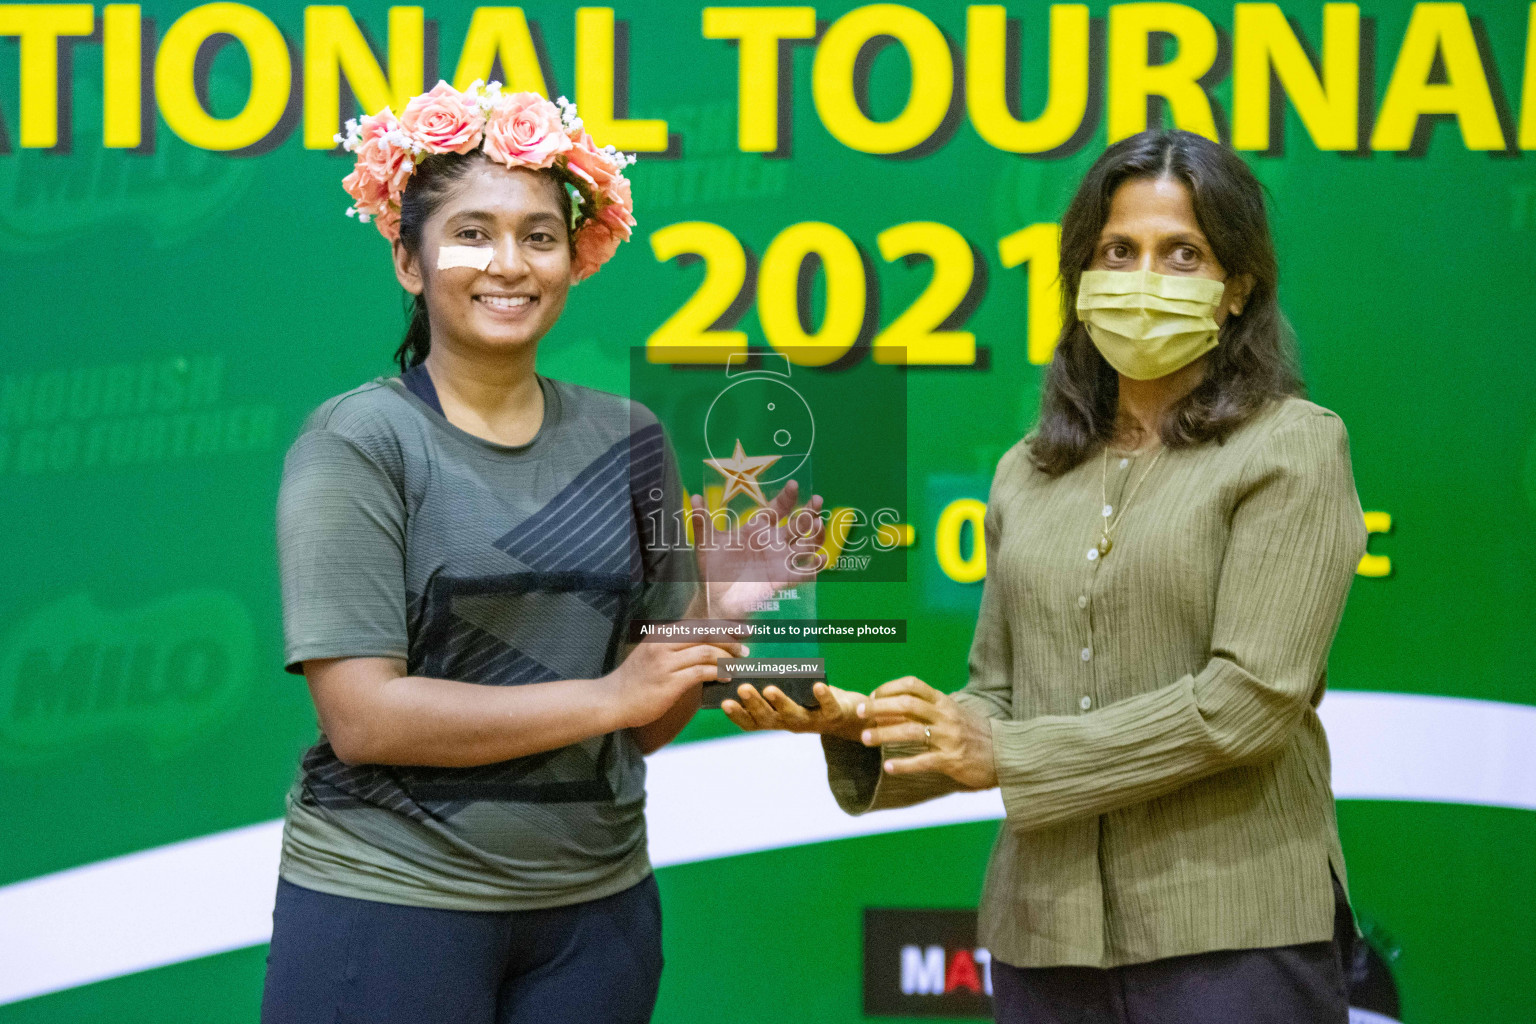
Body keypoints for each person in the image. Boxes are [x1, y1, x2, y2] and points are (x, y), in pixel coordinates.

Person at [725, 129, 1367, 1023]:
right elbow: (1000, 696)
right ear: (1081, 278)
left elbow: (1249, 704)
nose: (1145, 277)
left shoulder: (1291, 446)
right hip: (1043, 937)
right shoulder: (1030, 469)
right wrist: (868, 727)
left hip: (1233, 932)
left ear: (1238, 289)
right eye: (1119, 251)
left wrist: (1007, 752)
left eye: (1183, 253)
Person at [262, 82, 819, 1024]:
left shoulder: (631, 437)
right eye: (470, 233)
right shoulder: (358, 442)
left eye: (539, 235)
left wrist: (709, 626)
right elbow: (363, 716)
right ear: (408, 258)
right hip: (391, 903)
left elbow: (639, 725)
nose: (508, 264)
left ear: (575, 257)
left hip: (595, 916)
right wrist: (613, 694)